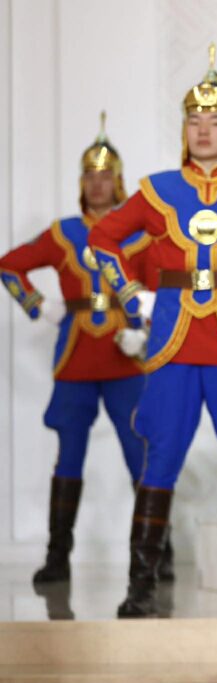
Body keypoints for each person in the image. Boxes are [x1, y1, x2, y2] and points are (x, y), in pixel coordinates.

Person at [88, 45, 217, 617]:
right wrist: (130, 294)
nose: (203, 130)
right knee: (160, 459)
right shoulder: (157, 189)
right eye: (193, 120)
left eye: (213, 120)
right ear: (184, 128)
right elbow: (102, 239)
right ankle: (141, 588)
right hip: (172, 342)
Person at [0, 114, 154, 585]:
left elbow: (160, 291)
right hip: (75, 359)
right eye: (89, 175)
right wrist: (37, 305)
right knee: (68, 457)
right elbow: (9, 265)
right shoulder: (64, 232)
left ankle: (155, 554)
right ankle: (58, 556)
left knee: (139, 453)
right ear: (81, 182)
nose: (97, 183)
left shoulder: (139, 233)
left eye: (105, 175)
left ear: (118, 180)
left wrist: (145, 332)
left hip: (126, 357)